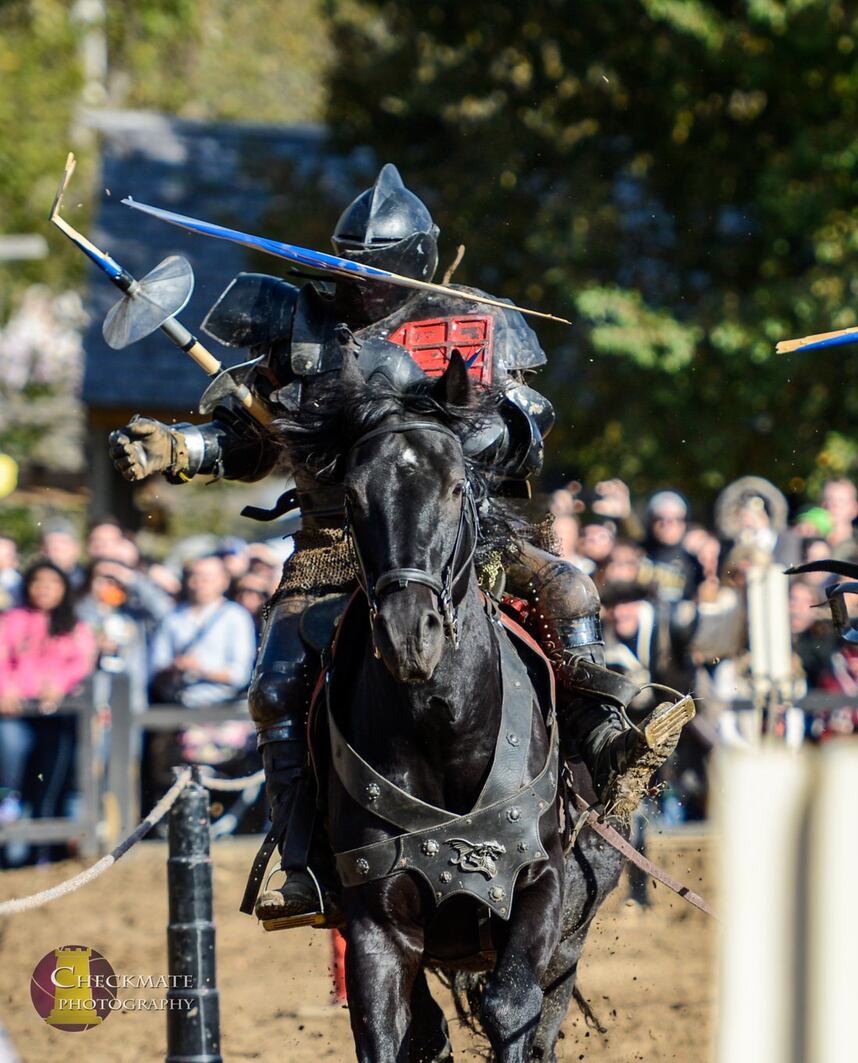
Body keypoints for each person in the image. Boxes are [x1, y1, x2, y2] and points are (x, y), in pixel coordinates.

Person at [107, 165, 691, 927]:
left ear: (415, 259)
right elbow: (250, 437)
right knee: (277, 682)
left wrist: (461, 429)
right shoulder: (304, 325)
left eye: (378, 270)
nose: (365, 287)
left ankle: (601, 737)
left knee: (572, 590)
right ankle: (301, 862)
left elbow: (526, 424)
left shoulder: (468, 321)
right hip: (334, 540)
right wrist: (179, 449)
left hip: (453, 535)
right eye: (354, 266)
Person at [0, 562, 96, 865]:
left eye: (51, 582)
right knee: (11, 761)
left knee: (51, 779)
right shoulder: (11, 620)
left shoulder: (74, 625)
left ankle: (42, 851)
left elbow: (80, 663)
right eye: (37, 581)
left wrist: (60, 685)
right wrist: (4, 688)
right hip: (16, 715)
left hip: (58, 717)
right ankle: (9, 829)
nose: (43, 588)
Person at [147, 555, 257, 707]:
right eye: (194, 576)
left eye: (207, 577)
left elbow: (240, 674)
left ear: (224, 581)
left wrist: (200, 669)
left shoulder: (236, 617)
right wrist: (176, 667)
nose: (199, 583)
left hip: (224, 708)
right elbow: (156, 667)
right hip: (179, 706)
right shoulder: (173, 618)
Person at [641, 489, 704, 603]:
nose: (668, 525)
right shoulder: (637, 553)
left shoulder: (694, 562)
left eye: (676, 519)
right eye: (660, 519)